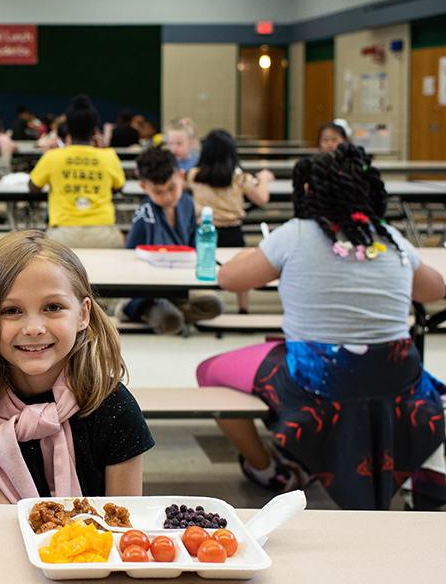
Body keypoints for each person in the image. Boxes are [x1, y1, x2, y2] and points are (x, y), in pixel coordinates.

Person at [196, 146, 446, 510]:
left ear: (309, 192)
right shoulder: (389, 238)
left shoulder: (296, 234)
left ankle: (270, 469)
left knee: (209, 371)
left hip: (317, 379)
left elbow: (230, 279)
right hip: (394, 376)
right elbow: (435, 289)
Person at [0, 230, 153, 502]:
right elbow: (1, 517)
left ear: (83, 314)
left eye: (53, 307)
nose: (33, 328)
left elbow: (125, 523)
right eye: (11, 311)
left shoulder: (114, 408)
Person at [117, 147, 223, 334]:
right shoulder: (145, 214)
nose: (167, 197)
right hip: (148, 292)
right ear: (144, 187)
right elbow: (130, 259)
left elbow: (193, 247)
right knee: (170, 321)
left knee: (215, 305)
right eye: (158, 192)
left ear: (181, 177)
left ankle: (173, 309)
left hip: (179, 284)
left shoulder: (187, 204)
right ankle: (130, 309)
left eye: (172, 188)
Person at [187, 129, 274, 313]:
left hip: (204, 231)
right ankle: (243, 308)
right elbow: (262, 199)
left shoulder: (194, 175)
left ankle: (205, 303)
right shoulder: (240, 178)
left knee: (205, 265)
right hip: (233, 231)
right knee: (241, 269)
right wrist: (264, 179)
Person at [30, 95, 126, 249]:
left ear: (68, 129)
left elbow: (33, 187)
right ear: (95, 130)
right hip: (104, 235)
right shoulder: (109, 156)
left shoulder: (53, 157)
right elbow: (119, 187)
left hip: (61, 237)